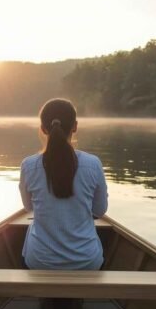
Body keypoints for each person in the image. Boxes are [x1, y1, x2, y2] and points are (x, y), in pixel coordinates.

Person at [19, 98, 108, 270]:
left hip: (40, 261)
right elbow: (99, 210)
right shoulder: (93, 164)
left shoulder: (28, 165)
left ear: (43, 129)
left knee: (31, 230)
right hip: (87, 262)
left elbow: (28, 207)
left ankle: (44, 296)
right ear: (75, 126)